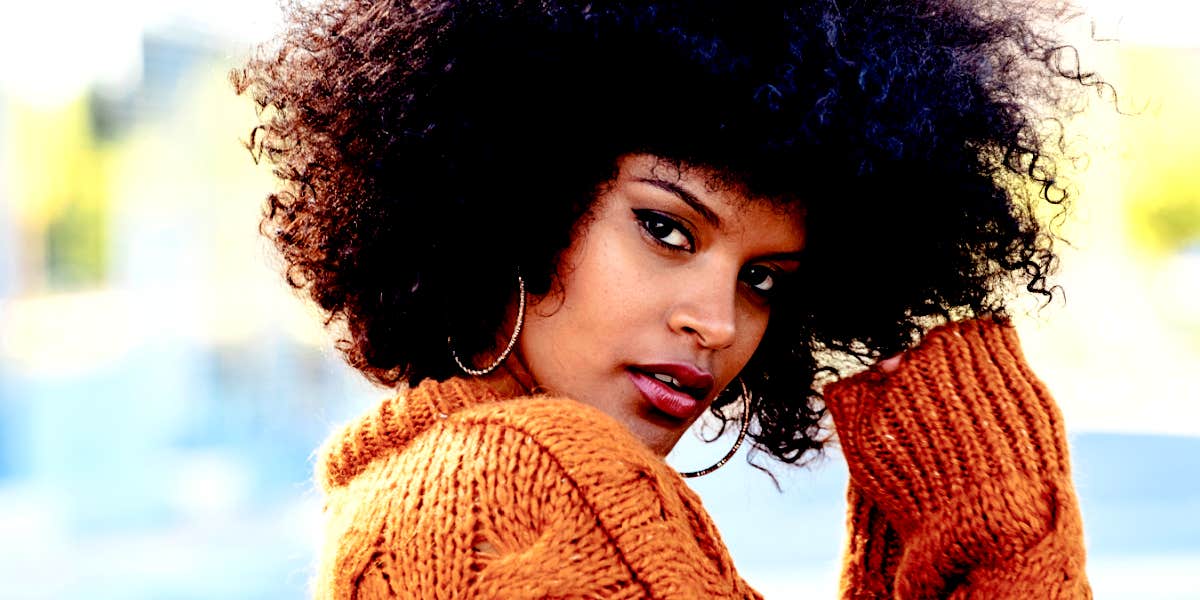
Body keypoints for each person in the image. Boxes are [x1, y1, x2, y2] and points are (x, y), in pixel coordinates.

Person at [234, 0, 1100, 597]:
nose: (716, 323)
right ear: (515, 197)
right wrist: (1004, 531)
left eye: (763, 279)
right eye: (668, 231)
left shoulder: (414, 493)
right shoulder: (527, 480)